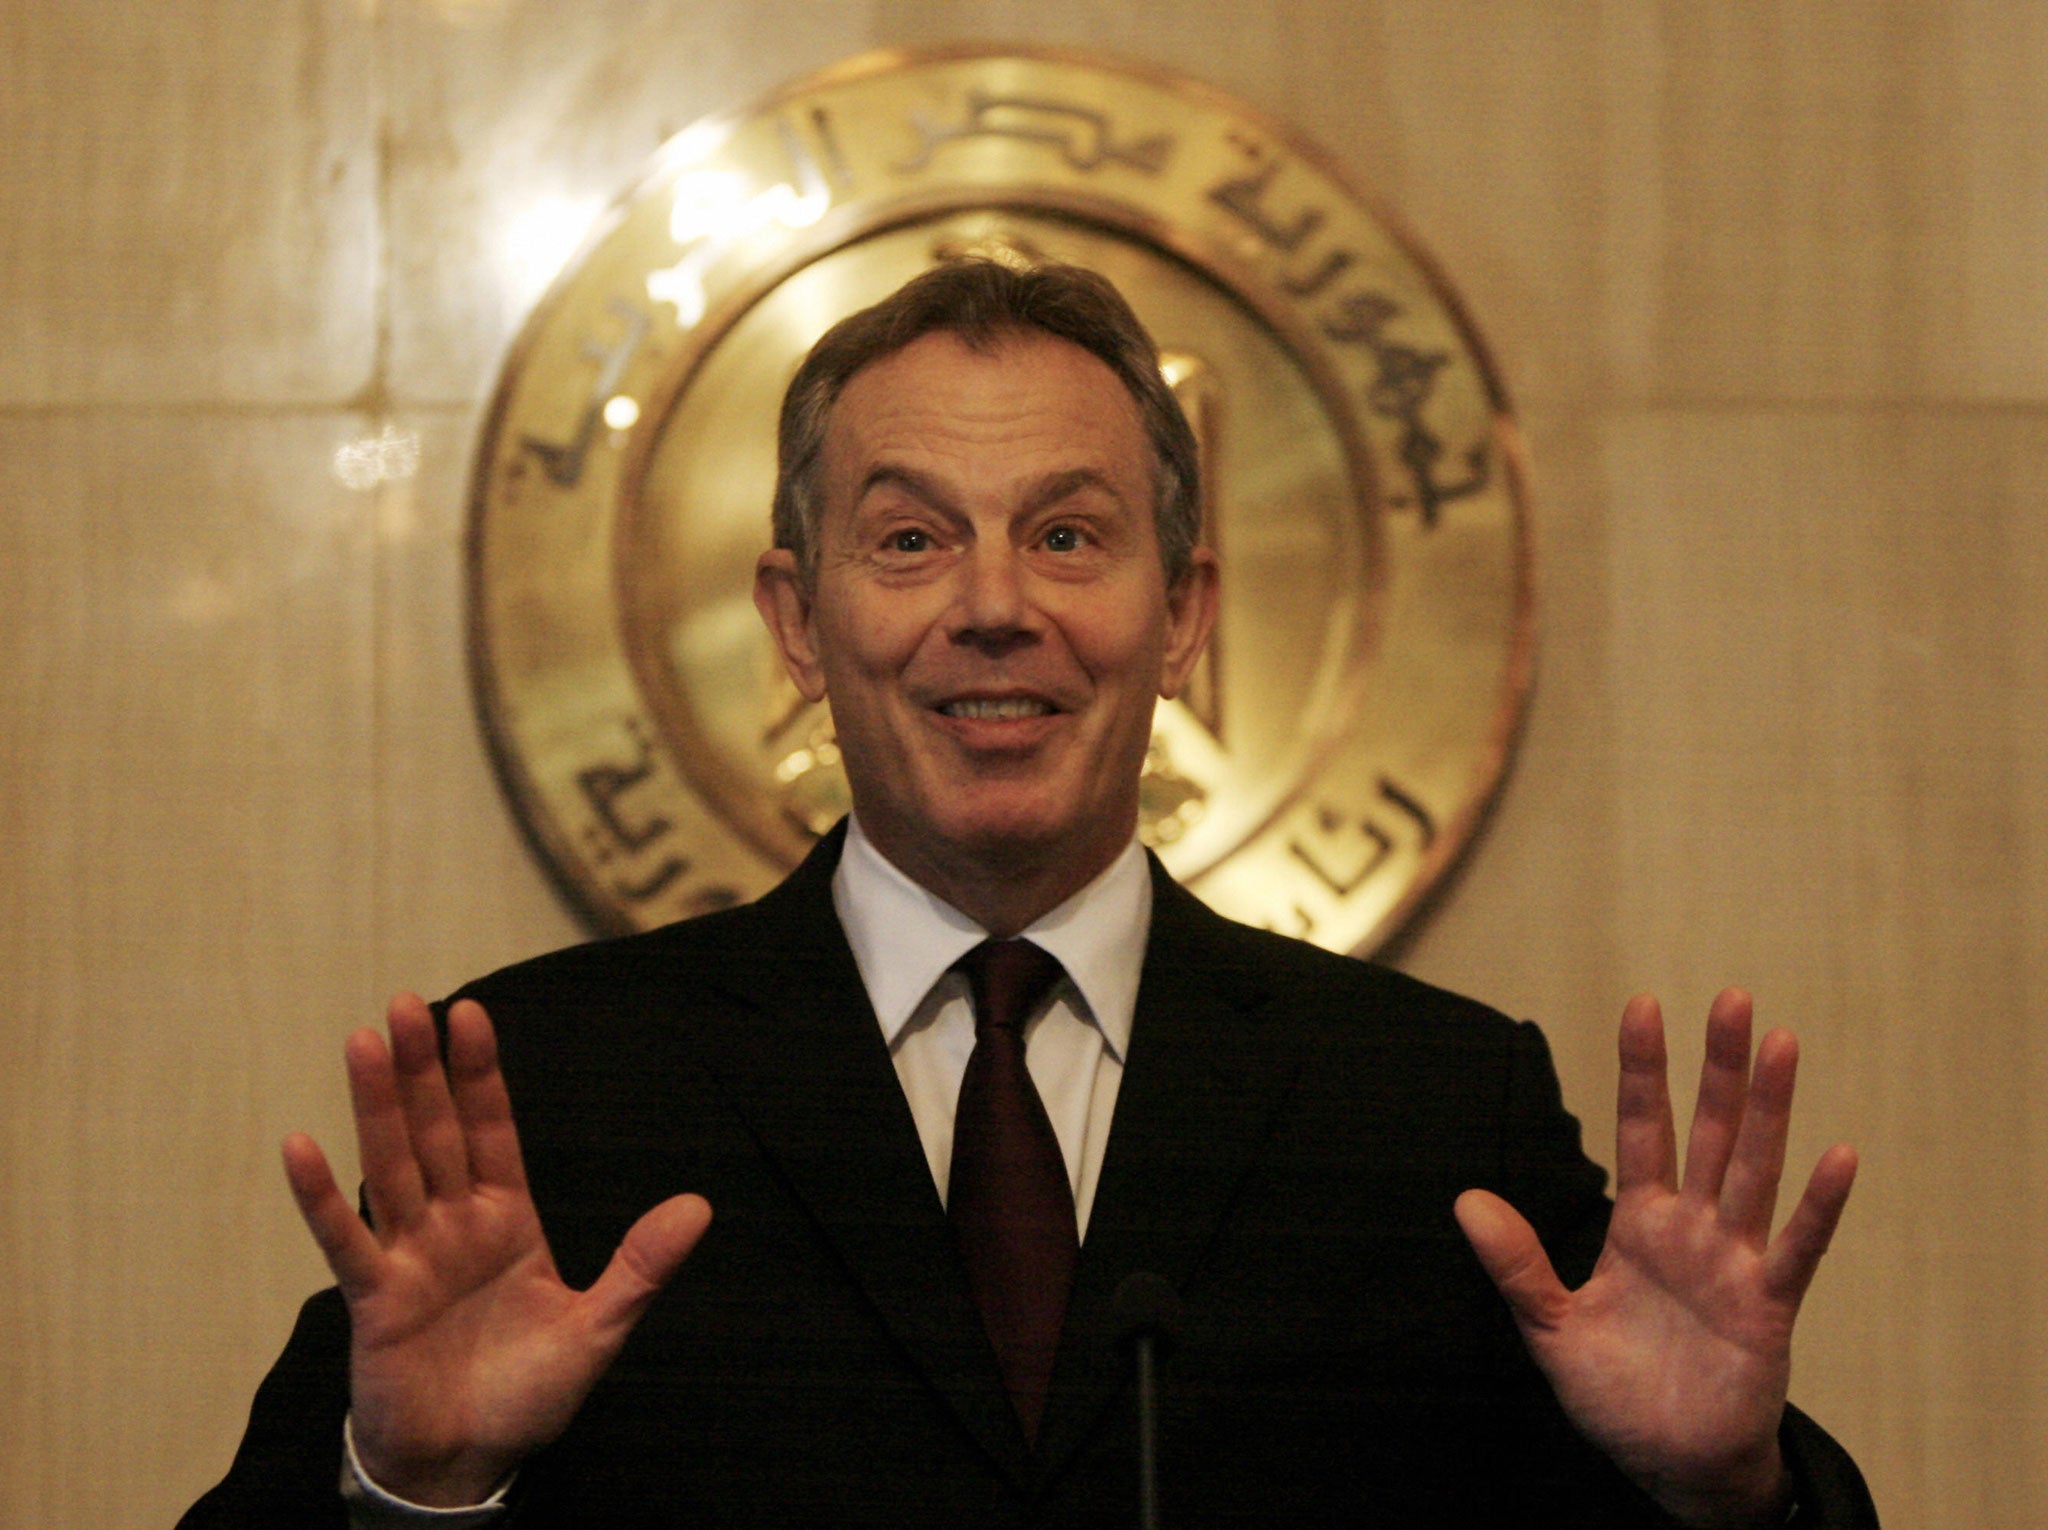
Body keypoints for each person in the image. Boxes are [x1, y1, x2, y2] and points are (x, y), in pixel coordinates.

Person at [182, 259, 1875, 1528]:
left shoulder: (1429, 1109)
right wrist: (406, 1489)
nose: (994, 608)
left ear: (1185, 608)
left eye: (1069, 536)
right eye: (910, 540)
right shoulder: (549, 1090)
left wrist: (1728, 1497)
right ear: (794, 618)